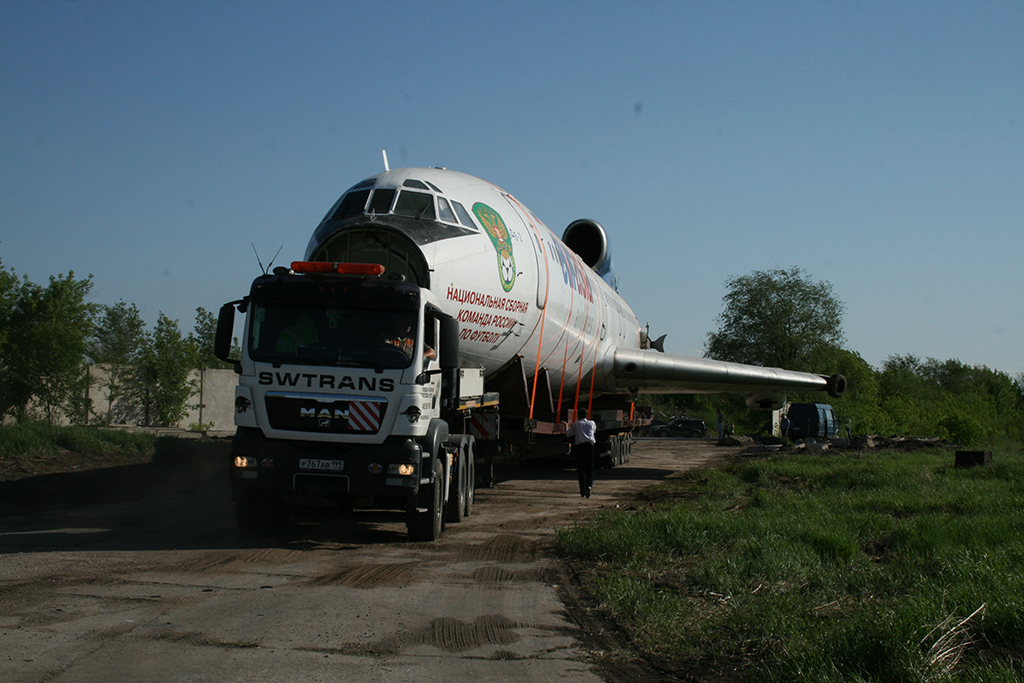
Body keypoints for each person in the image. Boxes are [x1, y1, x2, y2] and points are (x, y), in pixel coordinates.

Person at [565, 407, 597, 498]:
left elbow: (568, 434)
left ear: (578, 415)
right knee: (590, 469)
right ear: (587, 415)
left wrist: (567, 426)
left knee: (581, 470)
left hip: (580, 447)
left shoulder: (577, 424)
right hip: (590, 447)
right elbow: (594, 431)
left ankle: (582, 491)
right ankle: (589, 486)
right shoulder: (592, 423)